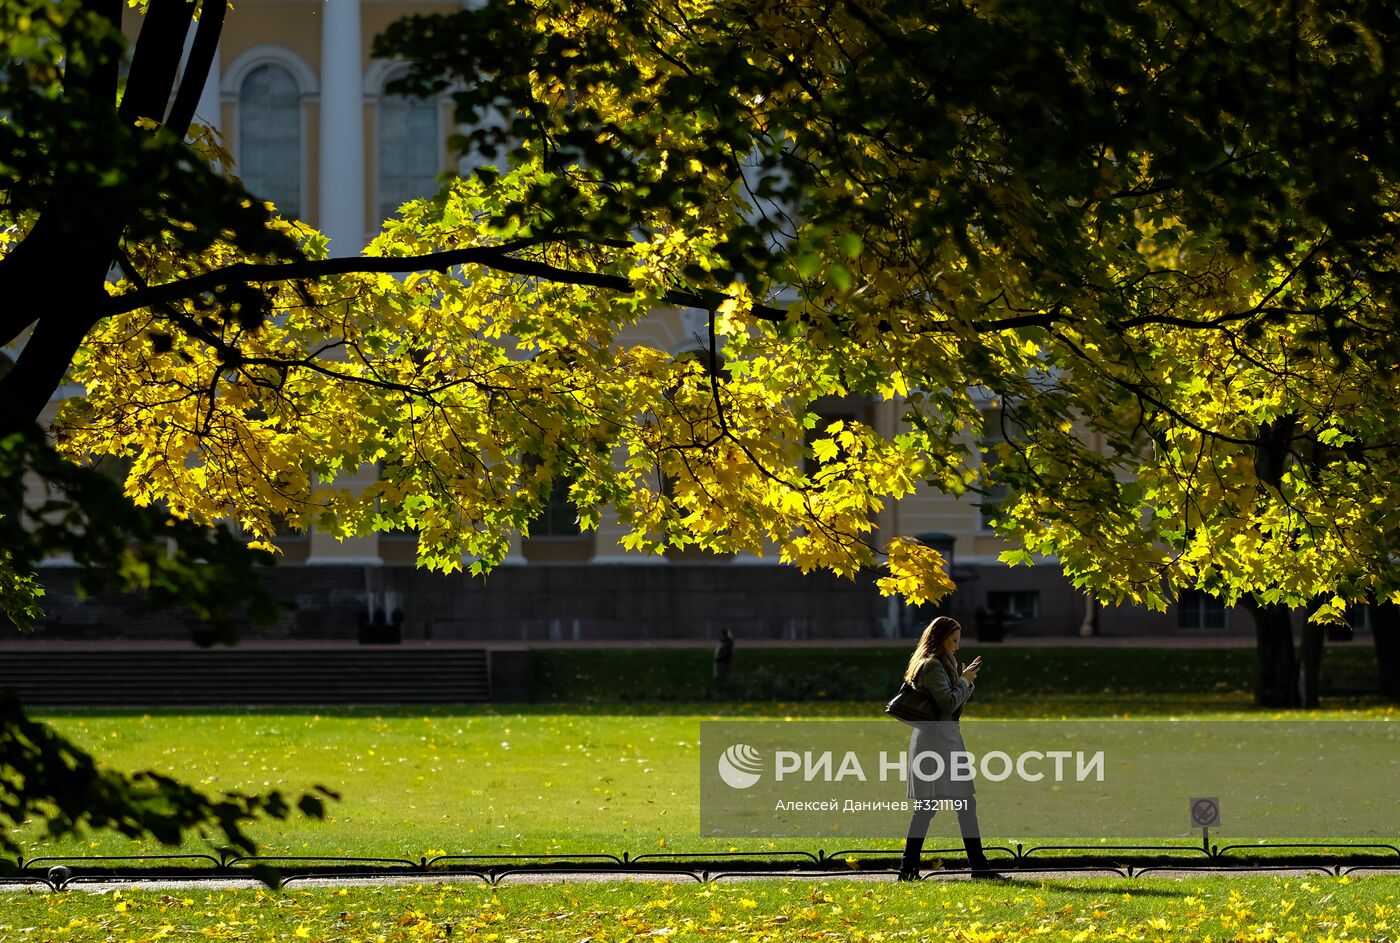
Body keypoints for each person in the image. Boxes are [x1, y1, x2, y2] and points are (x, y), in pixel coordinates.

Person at [897, 616, 1006, 881]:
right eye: (953, 640)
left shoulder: (942, 665)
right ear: (940, 639)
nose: (957, 646)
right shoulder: (932, 666)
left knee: (963, 804)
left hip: (944, 742)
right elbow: (947, 703)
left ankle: (977, 866)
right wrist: (965, 681)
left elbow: (952, 706)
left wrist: (962, 678)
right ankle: (908, 869)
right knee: (928, 806)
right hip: (937, 745)